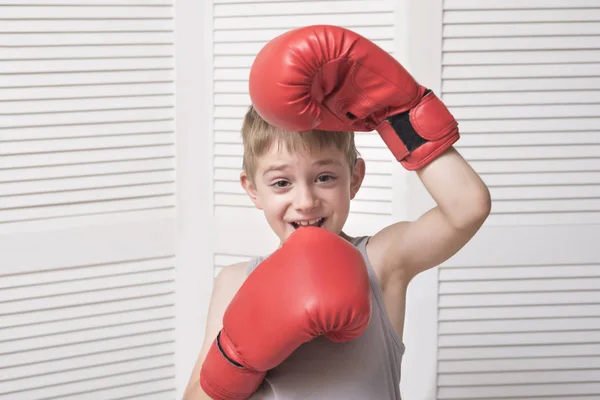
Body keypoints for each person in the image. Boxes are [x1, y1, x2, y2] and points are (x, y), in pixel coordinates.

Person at [184, 25, 491, 400]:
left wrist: (398, 112)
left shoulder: (382, 261)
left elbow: (467, 208)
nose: (306, 201)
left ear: (355, 179)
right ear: (253, 190)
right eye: (282, 183)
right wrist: (237, 359)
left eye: (325, 177)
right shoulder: (234, 281)